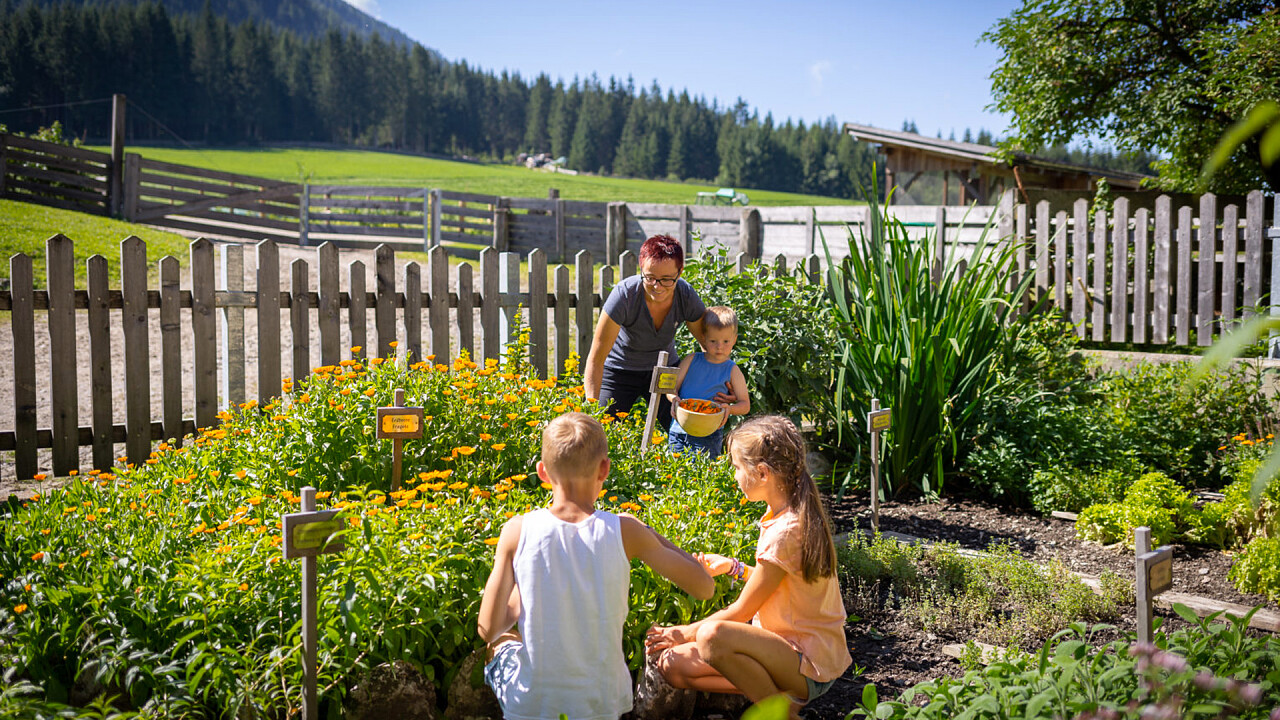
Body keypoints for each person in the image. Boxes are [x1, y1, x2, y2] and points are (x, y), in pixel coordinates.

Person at [478, 412, 715, 720]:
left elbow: (488, 628)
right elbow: (704, 586)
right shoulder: (624, 531)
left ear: (543, 472)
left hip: (533, 705)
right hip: (602, 703)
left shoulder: (517, 531)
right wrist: (646, 532)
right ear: (604, 469)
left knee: (501, 643)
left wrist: (525, 597)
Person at [644, 416, 851, 718]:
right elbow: (780, 586)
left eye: (737, 468)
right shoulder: (782, 513)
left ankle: (779, 714)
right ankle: (779, 697)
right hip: (783, 654)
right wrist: (734, 567)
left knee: (711, 637)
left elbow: (741, 612)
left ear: (763, 473)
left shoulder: (785, 531)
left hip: (807, 662)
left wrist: (683, 632)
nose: (735, 476)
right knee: (673, 664)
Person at [583, 234, 733, 428]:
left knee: (685, 425)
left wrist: (721, 381)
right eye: (650, 278)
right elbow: (596, 357)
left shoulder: (685, 295)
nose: (657, 286)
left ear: (680, 272)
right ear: (641, 270)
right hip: (620, 370)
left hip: (665, 370)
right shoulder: (624, 296)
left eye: (666, 279)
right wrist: (591, 408)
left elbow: (708, 345)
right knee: (601, 429)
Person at [667, 306, 750, 458]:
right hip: (679, 430)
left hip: (709, 434)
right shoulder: (691, 360)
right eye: (713, 341)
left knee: (702, 475)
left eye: (726, 341)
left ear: (734, 340)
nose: (720, 346)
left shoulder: (732, 370)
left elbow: (745, 405)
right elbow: (671, 387)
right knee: (675, 475)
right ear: (703, 338)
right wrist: (674, 399)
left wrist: (729, 409)